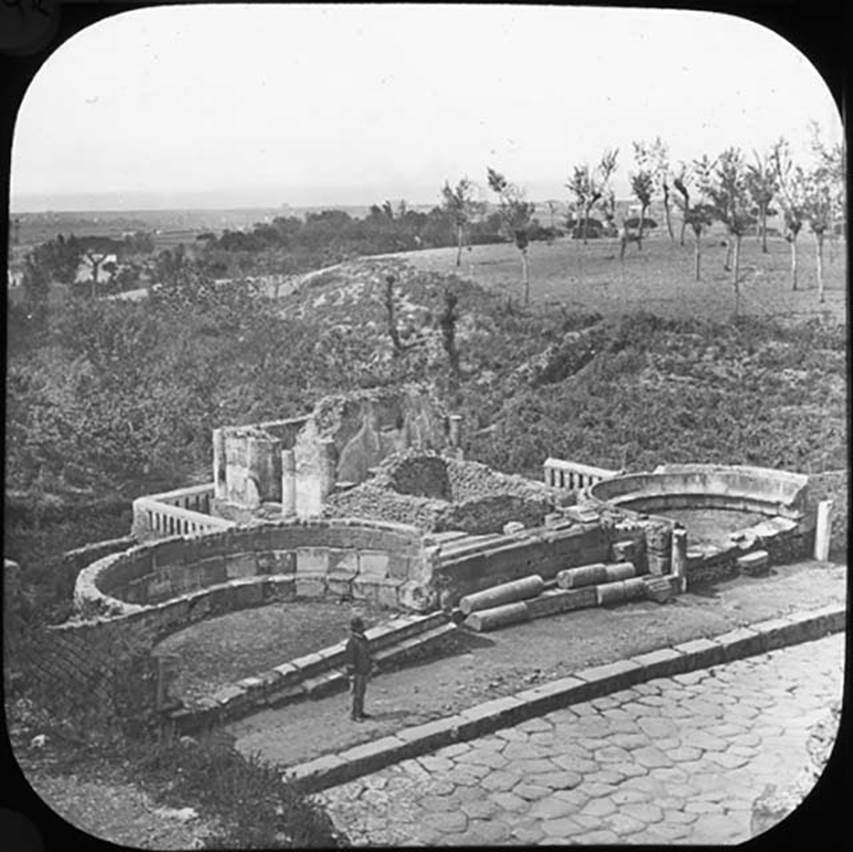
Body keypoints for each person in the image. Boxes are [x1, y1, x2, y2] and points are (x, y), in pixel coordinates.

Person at [345, 616, 372, 722]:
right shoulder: (352, 643)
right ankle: (355, 714)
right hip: (357, 673)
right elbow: (350, 660)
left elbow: (367, 654)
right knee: (357, 694)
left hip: (364, 670)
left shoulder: (363, 639)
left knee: (362, 693)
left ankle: (360, 711)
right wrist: (351, 674)